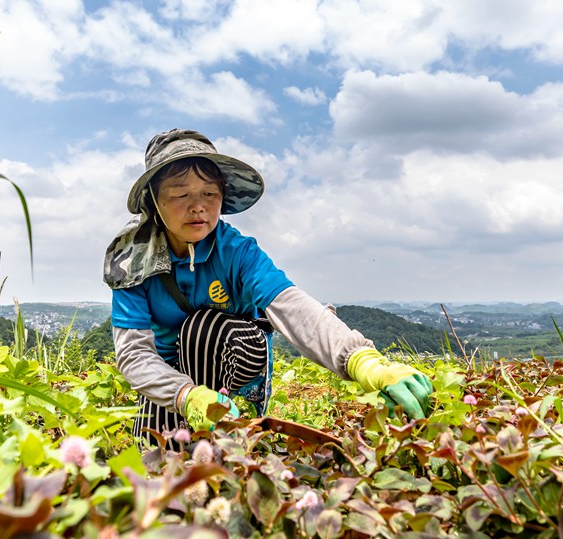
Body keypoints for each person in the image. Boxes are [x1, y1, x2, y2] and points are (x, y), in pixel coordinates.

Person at [104, 129, 433, 443]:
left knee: (201, 329)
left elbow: (294, 309)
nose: (198, 206)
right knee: (155, 450)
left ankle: (232, 423)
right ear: (154, 201)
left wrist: (364, 361)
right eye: (180, 194)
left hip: (233, 355)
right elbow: (133, 352)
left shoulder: (238, 252)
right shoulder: (132, 262)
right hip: (170, 371)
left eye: (209, 193)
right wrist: (186, 395)